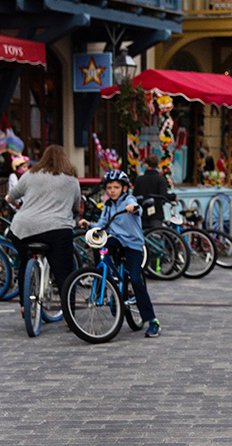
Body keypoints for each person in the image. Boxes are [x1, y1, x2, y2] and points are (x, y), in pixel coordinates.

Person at [5, 144, 81, 317]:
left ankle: (25, 305)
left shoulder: (30, 175)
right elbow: (76, 206)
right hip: (57, 229)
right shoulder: (71, 179)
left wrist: (11, 200)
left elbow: (11, 196)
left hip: (24, 228)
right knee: (64, 273)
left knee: (25, 261)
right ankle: (70, 316)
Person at [93, 169, 160, 338]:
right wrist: (91, 226)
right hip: (116, 240)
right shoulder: (108, 205)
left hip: (132, 244)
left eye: (116, 187)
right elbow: (102, 223)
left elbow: (137, 207)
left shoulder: (128, 200)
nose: (112, 190)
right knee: (100, 246)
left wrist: (133, 208)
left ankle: (152, 321)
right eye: (109, 187)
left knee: (136, 279)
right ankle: (105, 280)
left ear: (123, 188)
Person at [132, 154, 169, 228]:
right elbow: (163, 196)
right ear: (157, 166)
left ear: (146, 165)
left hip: (142, 214)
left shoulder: (139, 179)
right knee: (156, 235)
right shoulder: (161, 179)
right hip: (156, 213)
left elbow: (134, 196)